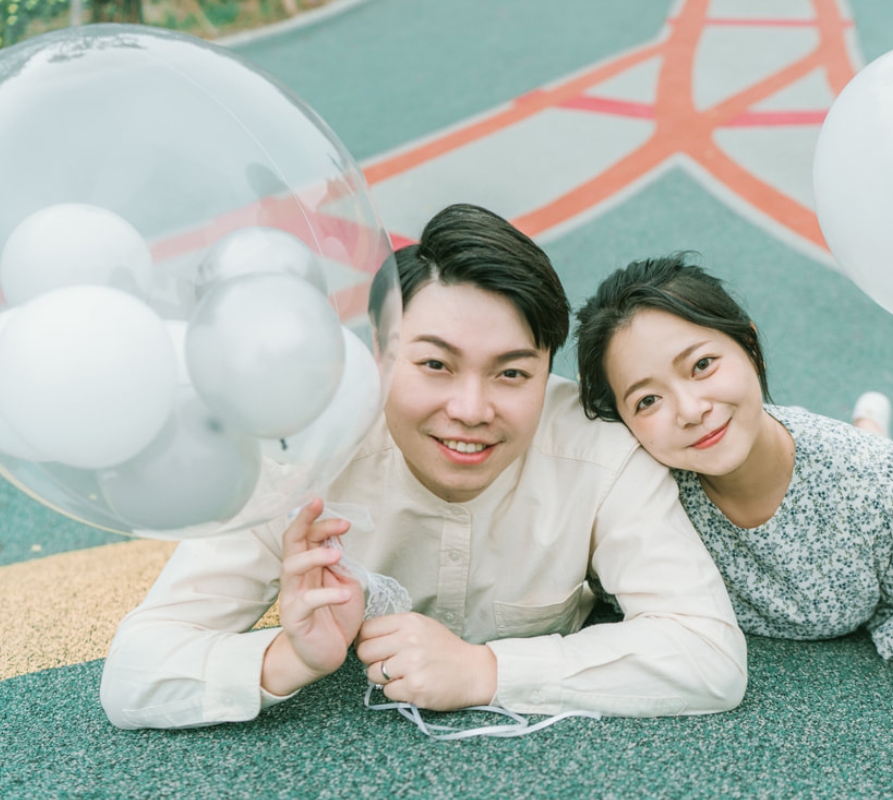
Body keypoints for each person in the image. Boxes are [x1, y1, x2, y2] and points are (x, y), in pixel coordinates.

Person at [99, 206, 746, 729]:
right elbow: (133, 675)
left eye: (512, 373)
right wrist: (284, 657)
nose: (470, 409)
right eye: (435, 364)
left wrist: (486, 673)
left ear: (552, 371)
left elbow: (708, 656)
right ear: (380, 354)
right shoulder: (298, 453)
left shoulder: (599, 450)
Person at [574, 253, 893, 697]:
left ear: (751, 348)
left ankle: (869, 424)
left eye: (702, 365)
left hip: (852, 461)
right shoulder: (630, 497)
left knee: (868, 452)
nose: (690, 410)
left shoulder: (885, 483)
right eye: (647, 401)